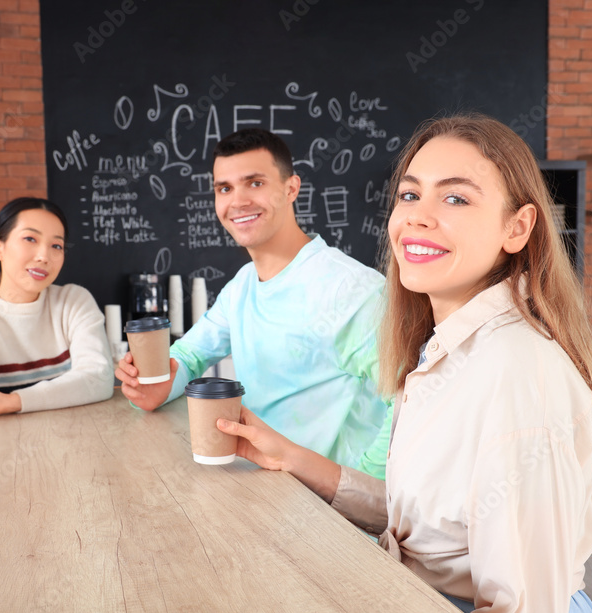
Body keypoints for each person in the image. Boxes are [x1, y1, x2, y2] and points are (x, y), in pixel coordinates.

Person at [215, 114, 592, 613]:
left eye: (456, 200)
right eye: (410, 194)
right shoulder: (446, 349)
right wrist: (293, 459)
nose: (418, 218)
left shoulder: (517, 373)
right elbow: (430, 524)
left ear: (518, 227)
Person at [115, 129, 391, 476]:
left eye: (255, 183)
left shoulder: (351, 289)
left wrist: (362, 488)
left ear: (291, 188)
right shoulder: (243, 285)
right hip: (264, 487)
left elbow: (409, 398)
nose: (238, 201)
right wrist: (154, 384)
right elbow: (190, 355)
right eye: (224, 189)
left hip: (328, 511)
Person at [0, 197, 114, 418]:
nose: (44, 256)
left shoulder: (73, 302)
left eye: (56, 245)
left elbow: (98, 378)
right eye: (30, 238)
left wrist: (13, 402)